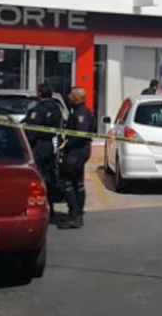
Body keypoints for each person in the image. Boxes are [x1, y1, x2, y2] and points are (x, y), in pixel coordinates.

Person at [22, 83, 63, 217]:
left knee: (37, 177)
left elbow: (31, 131)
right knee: (49, 176)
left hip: (38, 146)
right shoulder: (56, 108)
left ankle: (39, 207)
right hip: (50, 144)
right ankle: (50, 206)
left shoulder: (38, 110)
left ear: (40, 93)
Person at [57, 87, 95, 229]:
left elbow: (81, 134)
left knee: (67, 182)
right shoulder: (79, 111)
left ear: (76, 97)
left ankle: (75, 215)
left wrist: (66, 145)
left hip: (77, 152)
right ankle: (77, 213)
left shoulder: (81, 112)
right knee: (77, 182)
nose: (68, 97)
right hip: (79, 151)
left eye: (70, 95)